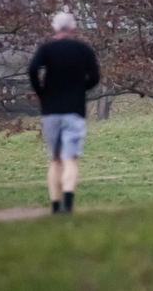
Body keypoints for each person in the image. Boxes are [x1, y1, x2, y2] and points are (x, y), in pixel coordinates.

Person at [28, 11, 100, 214]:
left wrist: (42, 91)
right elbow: (95, 76)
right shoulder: (83, 50)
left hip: (51, 110)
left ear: (54, 29)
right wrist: (80, 88)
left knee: (55, 158)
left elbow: (33, 68)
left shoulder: (47, 49)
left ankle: (55, 204)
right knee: (70, 158)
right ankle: (68, 203)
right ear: (73, 29)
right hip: (74, 110)